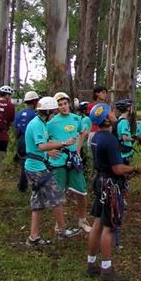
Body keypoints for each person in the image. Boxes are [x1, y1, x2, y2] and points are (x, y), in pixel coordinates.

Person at [88, 102, 141, 281]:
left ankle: (91, 264)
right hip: (110, 185)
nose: (114, 114)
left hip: (100, 181)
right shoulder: (111, 140)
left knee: (98, 222)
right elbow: (118, 168)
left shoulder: (96, 137)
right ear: (106, 119)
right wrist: (135, 169)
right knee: (109, 227)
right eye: (111, 112)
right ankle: (106, 270)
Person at [24, 96, 80, 246]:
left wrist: (51, 149)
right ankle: (63, 230)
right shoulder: (37, 125)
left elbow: (40, 145)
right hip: (37, 168)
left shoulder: (40, 123)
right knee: (57, 197)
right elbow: (41, 146)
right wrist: (63, 143)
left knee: (38, 202)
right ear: (47, 111)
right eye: (53, 111)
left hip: (36, 165)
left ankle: (33, 237)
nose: (55, 114)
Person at [48, 92, 91, 233]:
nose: (63, 107)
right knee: (58, 193)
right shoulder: (52, 123)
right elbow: (43, 141)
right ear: (56, 107)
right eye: (60, 105)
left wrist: (78, 150)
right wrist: (49, 151)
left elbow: (81, 133)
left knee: (82, 191)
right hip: (58, 161)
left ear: (69, 104)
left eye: (65, 103)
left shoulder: (76, 119)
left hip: (73, 160)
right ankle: (59, 223)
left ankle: (82, 220)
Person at [15, 90, 40, 193]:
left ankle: (23, 184)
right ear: (34, 102)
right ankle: (26, 184)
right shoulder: (34, 116)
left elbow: (16, 128)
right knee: (29, 162)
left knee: (24, 162)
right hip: (28, 140)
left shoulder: (19, 114)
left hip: (20, 139)